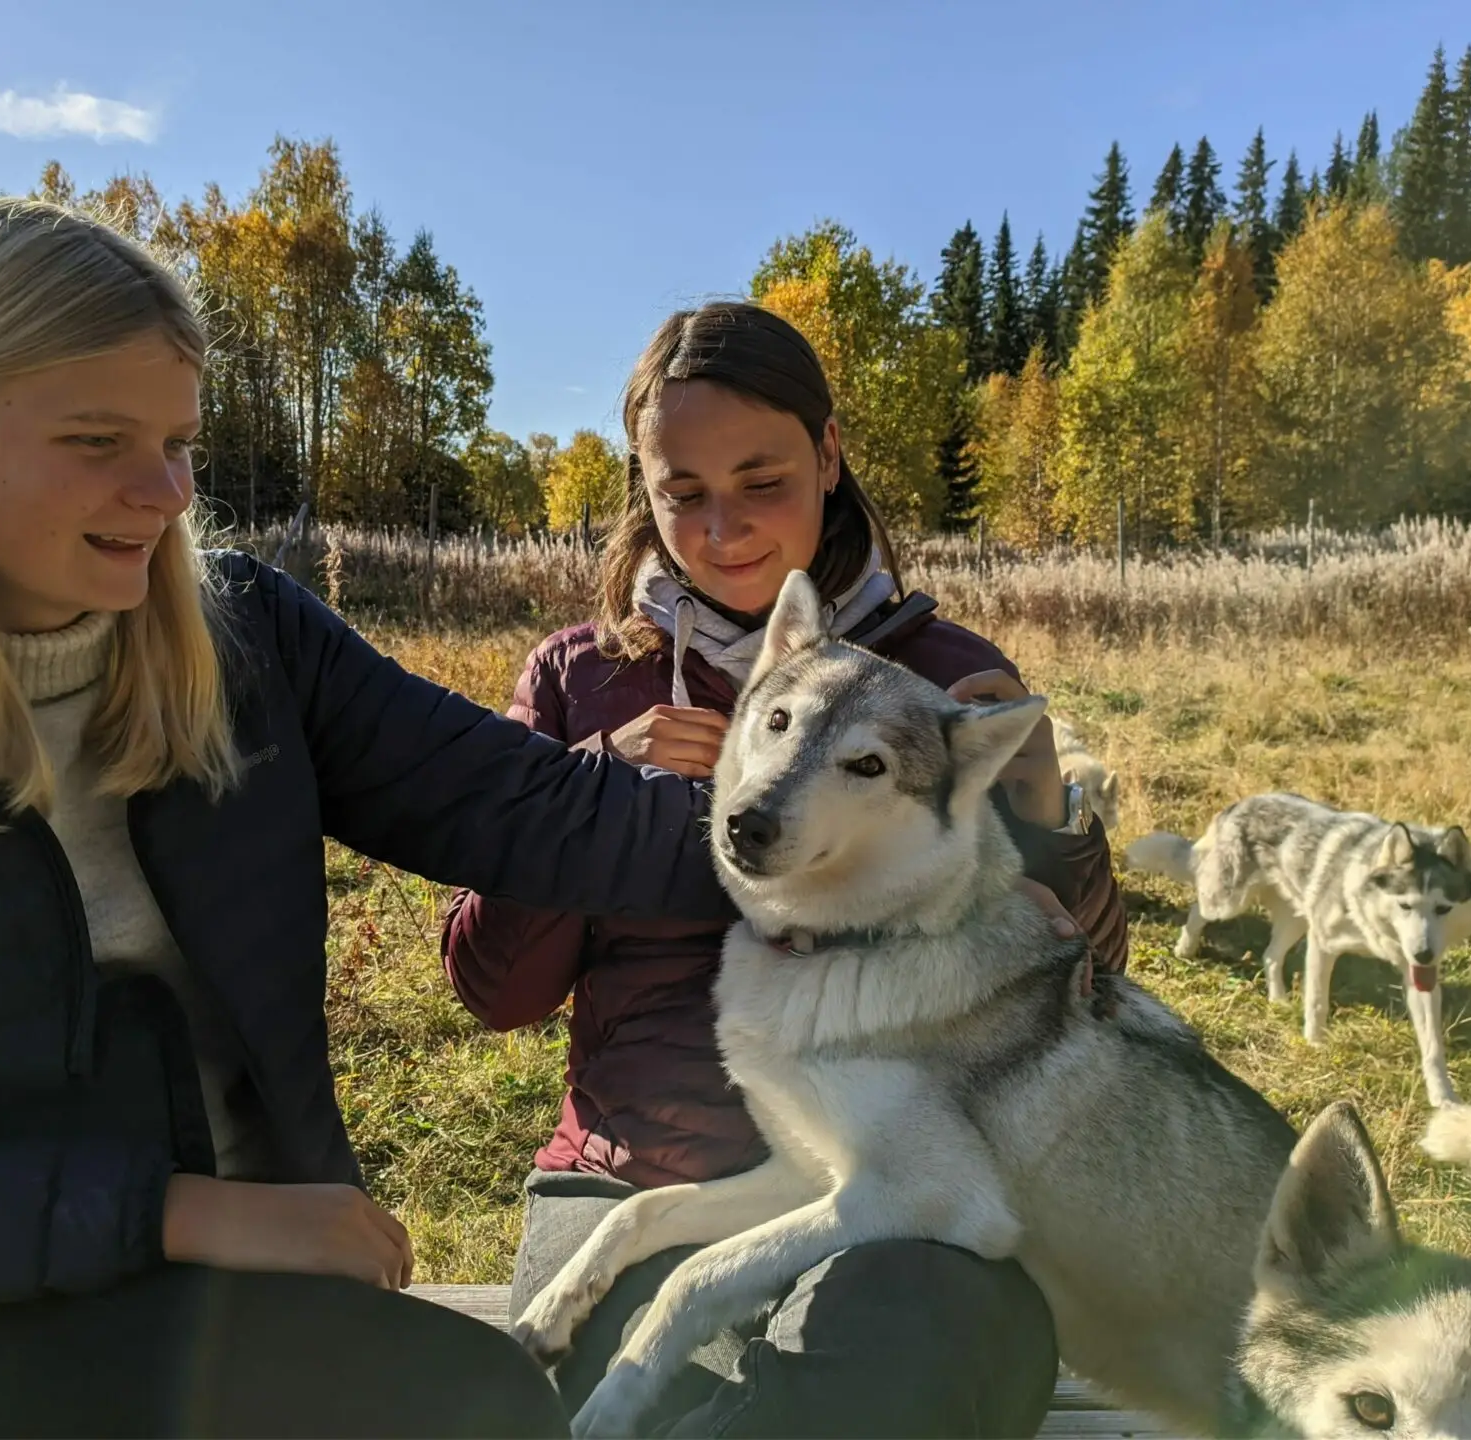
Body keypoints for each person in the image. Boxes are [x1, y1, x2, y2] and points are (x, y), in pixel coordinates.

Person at [0, 198, 752, 1440]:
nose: (164, 495)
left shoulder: (246, 640)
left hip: (266, 1308)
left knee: (487, 1405)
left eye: (179, 442)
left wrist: (881, 852)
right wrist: (189, 1215)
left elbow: (536, 807)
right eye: (98, 440)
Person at [443, 302, 1129, 1439]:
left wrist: (1044, 815)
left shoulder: (945, 685)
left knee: (917, 1357)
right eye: (682, 493)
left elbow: (1082, 993)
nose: (723, 531)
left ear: (828, 454)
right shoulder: (580, 681)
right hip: (633, 1180)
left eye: (762, 481)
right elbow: (493, 989)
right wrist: (587, 790)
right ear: (643, 488)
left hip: (891, 1184)